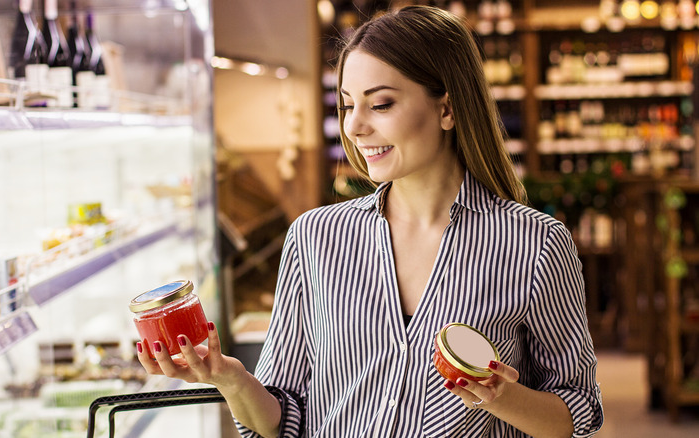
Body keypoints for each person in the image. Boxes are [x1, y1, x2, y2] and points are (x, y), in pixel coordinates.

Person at [136, 5, 603, 437]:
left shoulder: (535, 243)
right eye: (346, 105)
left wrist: (502, 396)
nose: (355, 127)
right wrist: (232, 381)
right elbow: (286, 416)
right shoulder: (316, 238)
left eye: (380, 104)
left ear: (446, 108)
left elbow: (577, 410)